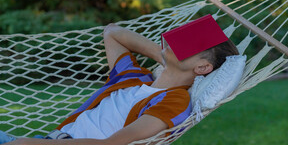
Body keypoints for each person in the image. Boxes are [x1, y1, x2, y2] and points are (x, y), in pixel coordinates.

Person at [2, 14, 239, 145]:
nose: (175, 43)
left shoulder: (176, 100)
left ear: (203, 67)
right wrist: (165, 55)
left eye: (189, 45)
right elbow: (112, 33)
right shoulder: (132, 77)